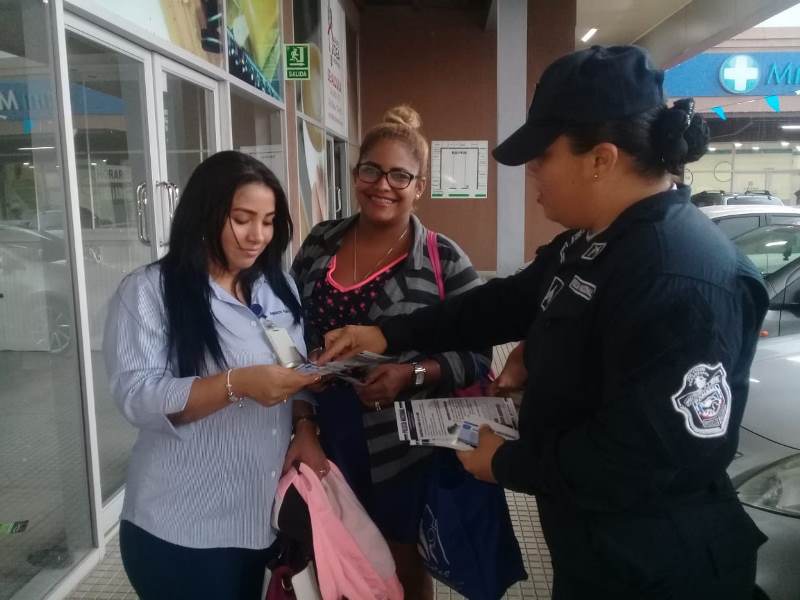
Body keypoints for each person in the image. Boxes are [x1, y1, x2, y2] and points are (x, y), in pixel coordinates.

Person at [317, 46, 769, 599]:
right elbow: (503, 303)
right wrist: (388, 335)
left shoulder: (680, 277)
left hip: (658, 570)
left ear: (600, 159)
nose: (532, 172)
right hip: (593, 549)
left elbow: (642, 459)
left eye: (542, 156)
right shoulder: (593, 241)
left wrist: (505, 462)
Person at [104, 151, 326, 600]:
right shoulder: (149, 291)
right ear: (204, 214)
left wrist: (305, 423)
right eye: (242, 219)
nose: (257, 236)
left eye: (268, 222)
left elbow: (294, 370)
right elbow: (137, 397)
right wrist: (236, 384)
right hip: (181, 529)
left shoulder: (276, 286)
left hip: (262, 520)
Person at [291, 105, 491, 599]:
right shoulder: (320, 243)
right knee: (332, 556)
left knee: (400, 565)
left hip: (402, 446)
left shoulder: (443, 260)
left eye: (400, 175)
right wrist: (303, 419)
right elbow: (290, 331)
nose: (383, 185)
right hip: (324, 431)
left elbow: (478, 356)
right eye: (371, 170)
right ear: (355, 174)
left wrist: (413, 374)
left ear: (420, 186)